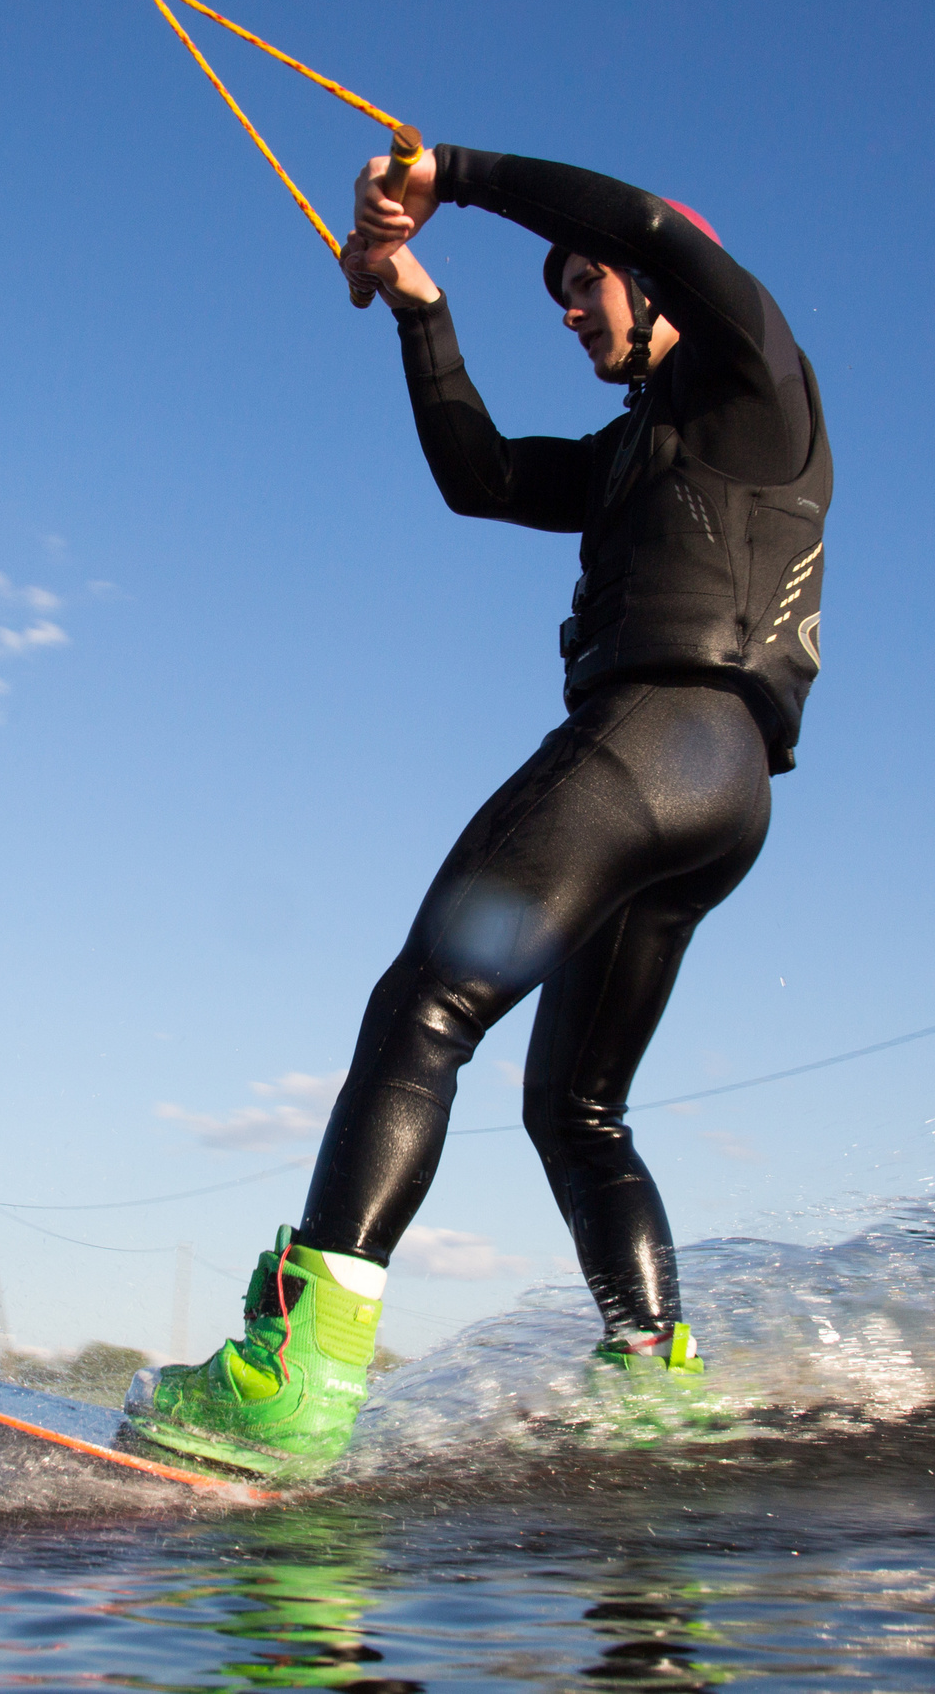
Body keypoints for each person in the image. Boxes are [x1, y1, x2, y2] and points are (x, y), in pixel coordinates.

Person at [126, 143, 831, 1479]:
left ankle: (296, 1379)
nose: (569, 309)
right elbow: (485, 478)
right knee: (576, 1112)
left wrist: (453, 169)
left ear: (655, 273)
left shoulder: (754, 378)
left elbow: (636, 212)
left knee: (425, 1004)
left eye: (584, 286)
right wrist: (421, 311)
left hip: (658, 738)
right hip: (724, 793)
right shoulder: (637, 452)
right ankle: (652, 1381)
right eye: (558, 291)